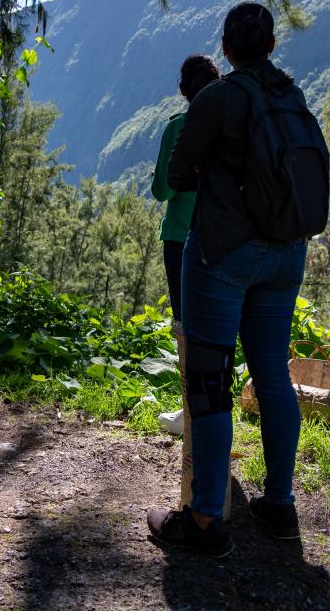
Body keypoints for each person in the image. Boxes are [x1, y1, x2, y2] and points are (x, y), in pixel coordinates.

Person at [147, 2, 324, 557]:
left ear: (226, 48)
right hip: (286, 253)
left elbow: (177, 175)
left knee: (209, 378)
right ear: (270, 46)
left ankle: (203, 521)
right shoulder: (293, 97)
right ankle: (280, 504)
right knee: (272, 372)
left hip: (224, 253)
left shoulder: (218, 98)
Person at [151, 55, 220, 435]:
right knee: (218, 325)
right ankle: (213, 409)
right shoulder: (231, 126)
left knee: (185, 326)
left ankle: (189, 413)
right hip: (225, 237)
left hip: (181, 237)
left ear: (184, 90)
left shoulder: (178, 127)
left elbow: (162, 188)